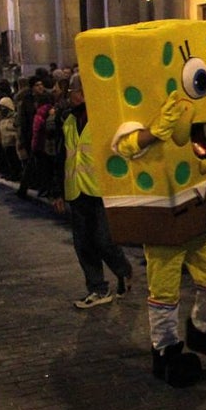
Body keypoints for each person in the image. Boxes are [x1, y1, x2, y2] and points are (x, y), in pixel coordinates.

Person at [51, 74, 134, 309]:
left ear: (85, 92)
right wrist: (58, 192)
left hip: (101, 190)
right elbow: (61, 158)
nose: (69, 96)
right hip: (77, 191)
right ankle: (98, 288)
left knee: (104, 239)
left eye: (72, 92)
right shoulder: (68, 121)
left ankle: (123, 270)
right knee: (83, 243)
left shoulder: (103, 119)